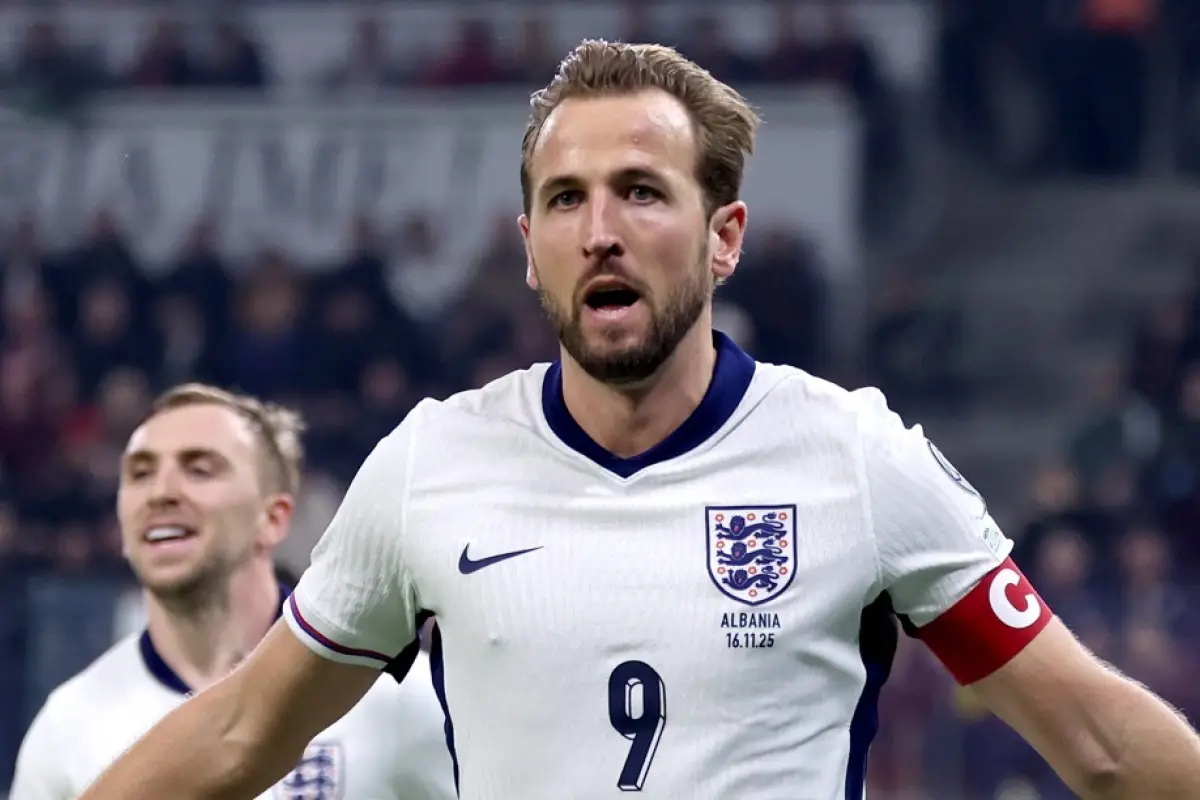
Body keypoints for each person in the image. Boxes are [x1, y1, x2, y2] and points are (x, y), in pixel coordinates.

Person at [80, 41, 1200, 800]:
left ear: (726, 237)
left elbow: (1097, 739)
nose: (600, 229)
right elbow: (240, 732)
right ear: (528, 250)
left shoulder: (854, 457)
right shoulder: (432, 464)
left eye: (643, 190)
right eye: (566, 200)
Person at [13, 384, 455, 800]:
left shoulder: (397, 695)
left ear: (274, 518)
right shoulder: (67, 724)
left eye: (200, 469)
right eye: (140, 473)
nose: (160, 493)